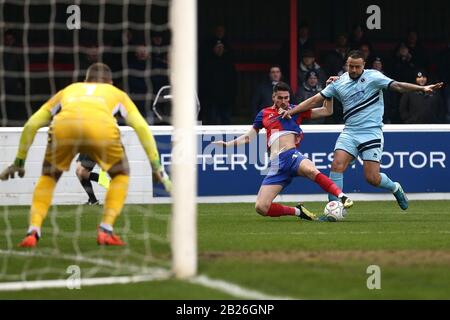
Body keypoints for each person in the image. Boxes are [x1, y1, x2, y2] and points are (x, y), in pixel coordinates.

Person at [0, 62, 172, 247]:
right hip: (102, 130)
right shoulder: (117, 94)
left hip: (64, 128)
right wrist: (157, 167)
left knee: (48, 178)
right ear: (111, 82)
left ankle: (33, 231)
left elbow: (32, 124)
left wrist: (19, 160)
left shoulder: (70, 89)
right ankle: (106, 229)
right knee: (120, 174)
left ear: (85, 81)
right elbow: (141, 127)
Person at [280, 50, 444, 211]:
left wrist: (421, 88)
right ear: (346, 65)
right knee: (336, 165)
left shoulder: (374, 77)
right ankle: (334, 208)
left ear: (363, 65)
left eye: (357, 67)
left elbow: (398, 86)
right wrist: (293, 111)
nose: (353, 70)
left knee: (372, 178)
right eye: (351, 66)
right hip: (350, 131)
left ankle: (395, 188)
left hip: (371, 132)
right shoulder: (338, 83)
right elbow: (315, 100)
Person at [213, 81, 352, 221]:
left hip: (291, 156)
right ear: (273, 97)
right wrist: (228, 144)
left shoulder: (296, 110)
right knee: (261, 207)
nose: (284, 101)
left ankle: (342, 197)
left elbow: (326, 111)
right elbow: (249, 138)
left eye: (286, 97)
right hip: (277, 165)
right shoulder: (264, 114)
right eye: (280, 98)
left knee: (311, 170)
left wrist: (330, 90)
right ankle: (298, 212)